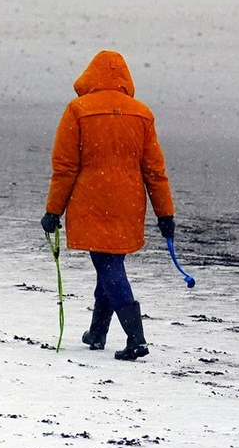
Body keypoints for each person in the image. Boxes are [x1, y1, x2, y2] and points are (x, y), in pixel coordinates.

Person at [41, 49, 175, 362]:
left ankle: (135, 338)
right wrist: (165, 213)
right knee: (109, 261)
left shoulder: (78, 110)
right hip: (128, 202)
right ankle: (97, 332)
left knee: (108, 265)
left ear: (91, 75)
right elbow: (154, 171)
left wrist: (53, 211)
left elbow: (65, 167)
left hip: (92, 199)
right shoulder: (141, 113)